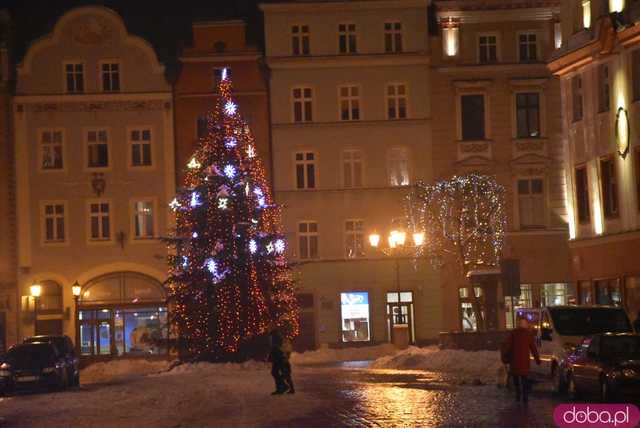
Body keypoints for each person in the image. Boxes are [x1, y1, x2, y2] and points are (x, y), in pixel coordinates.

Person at [503, 317, 540, 403]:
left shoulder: (513, 333)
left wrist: (505, 356)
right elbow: (533, 348)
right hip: (524, 362)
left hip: (514, 361)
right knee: (524, 380)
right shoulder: (528, 334)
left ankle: (518, 395)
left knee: (516, 379)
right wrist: (537, 359)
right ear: (525, 325)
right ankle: (525, 396)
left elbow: (508, 346)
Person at [268, 329, 295, 395]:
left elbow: (282, 349)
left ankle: (284, 388)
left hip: (280, 359)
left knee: (281, 373)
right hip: (279, 358)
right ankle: (284, 388)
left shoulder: (278, 340)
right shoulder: (278, 340)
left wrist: (285, 357)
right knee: (281, 373)